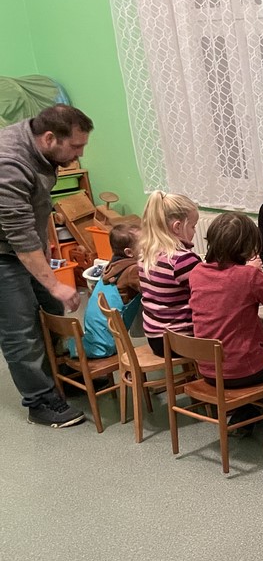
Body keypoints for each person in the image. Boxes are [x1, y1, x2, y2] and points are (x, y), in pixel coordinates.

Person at [0, 103, 92, 427]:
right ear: (50, 138)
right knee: (20, 328)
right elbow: (18, 234)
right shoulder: (9, 164)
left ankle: (59, 373)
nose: (80, 155)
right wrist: (53, 282)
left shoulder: (40, 143)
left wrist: (46, 241)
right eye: (76, 147)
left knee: (51, 308)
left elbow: (36, 207)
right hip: (4, 252)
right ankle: (40, 402)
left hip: (23, 240)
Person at [189, 212, 263, 430]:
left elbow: (227, 291)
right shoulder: (248, 277)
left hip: (209, 369)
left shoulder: (197, 272)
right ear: (247, 248)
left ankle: (248, 408)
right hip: (242, 369)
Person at [137, 191, 201, 357]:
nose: (194, 232)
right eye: (193, 226)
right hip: (181, 340)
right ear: (177, 227)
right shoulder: (182, 260)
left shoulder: (146, 254)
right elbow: (210, 293)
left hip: (156, 339)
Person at [75, 222, 142, 358]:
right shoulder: (132, 271)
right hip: (109, 342)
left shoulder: (112, 266)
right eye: (145, 245)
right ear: (129, 253)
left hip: (96, 337)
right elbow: (153, 289)